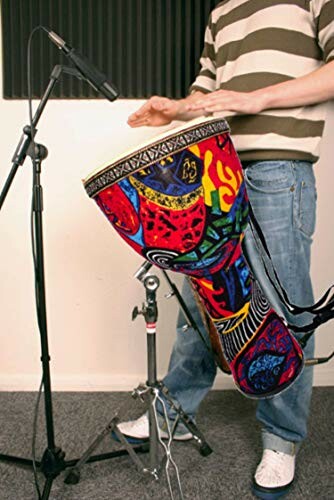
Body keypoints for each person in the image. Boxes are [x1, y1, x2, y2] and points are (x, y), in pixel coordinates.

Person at [118, 1, 334, 498]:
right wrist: (178, 108)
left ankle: (282, 438)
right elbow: (208, 93)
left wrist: (256, 100)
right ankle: (171, 413)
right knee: (201, 301)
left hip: (280, 170)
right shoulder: (222, 11)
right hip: (216, 168)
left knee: (284, 311)